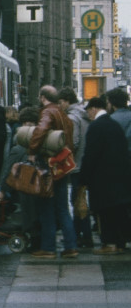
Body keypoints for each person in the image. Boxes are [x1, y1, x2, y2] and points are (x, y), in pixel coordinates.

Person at [27, 85, 78, 259]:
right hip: (61, 165)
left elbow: (41, 130)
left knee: (46, 206)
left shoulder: (48, 111)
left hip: (48, 164)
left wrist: (32, 150)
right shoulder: (63, 113)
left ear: (42, 97)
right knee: (62, 208)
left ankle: (48, 247)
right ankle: (71, 246)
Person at [81, 94, 130, 254]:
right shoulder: (114, 124)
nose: (88, 114)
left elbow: (90, 155)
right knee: (118, 210)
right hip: (120, 176)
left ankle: (109, 243)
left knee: (104, 211)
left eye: (88, 110)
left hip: (102, 178)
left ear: (94, 109)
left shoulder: (96, 126)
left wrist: (84, 178)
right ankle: (120, 242)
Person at [0, 106, 42, 238]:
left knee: (27, 215)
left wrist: (2, 190)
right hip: (40, 188)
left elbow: (8, 170)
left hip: (24, 188)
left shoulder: (18, 148)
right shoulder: (42, 145)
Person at [58, 87, 93, 247]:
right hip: (85, 162)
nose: (60, 106)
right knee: (80, 199)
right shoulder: (83, 114)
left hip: (76, 164)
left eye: (61, 102)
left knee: (77, 200)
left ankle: (83, 235)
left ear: (67, 101)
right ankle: (80, 234)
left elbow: (74, 142)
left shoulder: (72, 117)